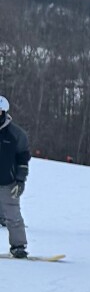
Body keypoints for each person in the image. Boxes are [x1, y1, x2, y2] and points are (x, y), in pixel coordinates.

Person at [0, 94, 31, 258]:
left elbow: (23, 160)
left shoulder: (16, 134)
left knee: (13, 216)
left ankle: (18, 246)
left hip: (8, 182)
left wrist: (20, 181)